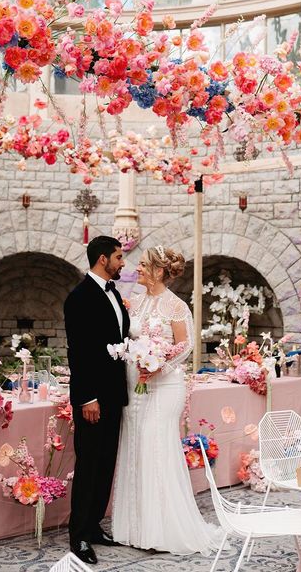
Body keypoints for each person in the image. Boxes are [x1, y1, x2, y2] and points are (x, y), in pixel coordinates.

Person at [112, 245, 224, 555]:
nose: (140, 269)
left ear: (160, 271)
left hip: (165, 386)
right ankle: (135, 528)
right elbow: (128, 339)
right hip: (135, 385)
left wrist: (161, 365)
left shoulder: (176, 307)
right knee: (136, 449)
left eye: (146, 265)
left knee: (156, 447)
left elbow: (186, 347)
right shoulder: (133, 302)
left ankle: (163, 529)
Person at [64, 236, 130, 564]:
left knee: (105, 464)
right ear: (103, 259)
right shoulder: (79, 298)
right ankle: (78, 538)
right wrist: (87, 398)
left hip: (114, 395)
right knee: (88, 465)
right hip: (92, 398)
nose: (123, 263)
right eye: (119, 257)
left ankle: (93, 527)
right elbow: (79, 352)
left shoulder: (114, 292)